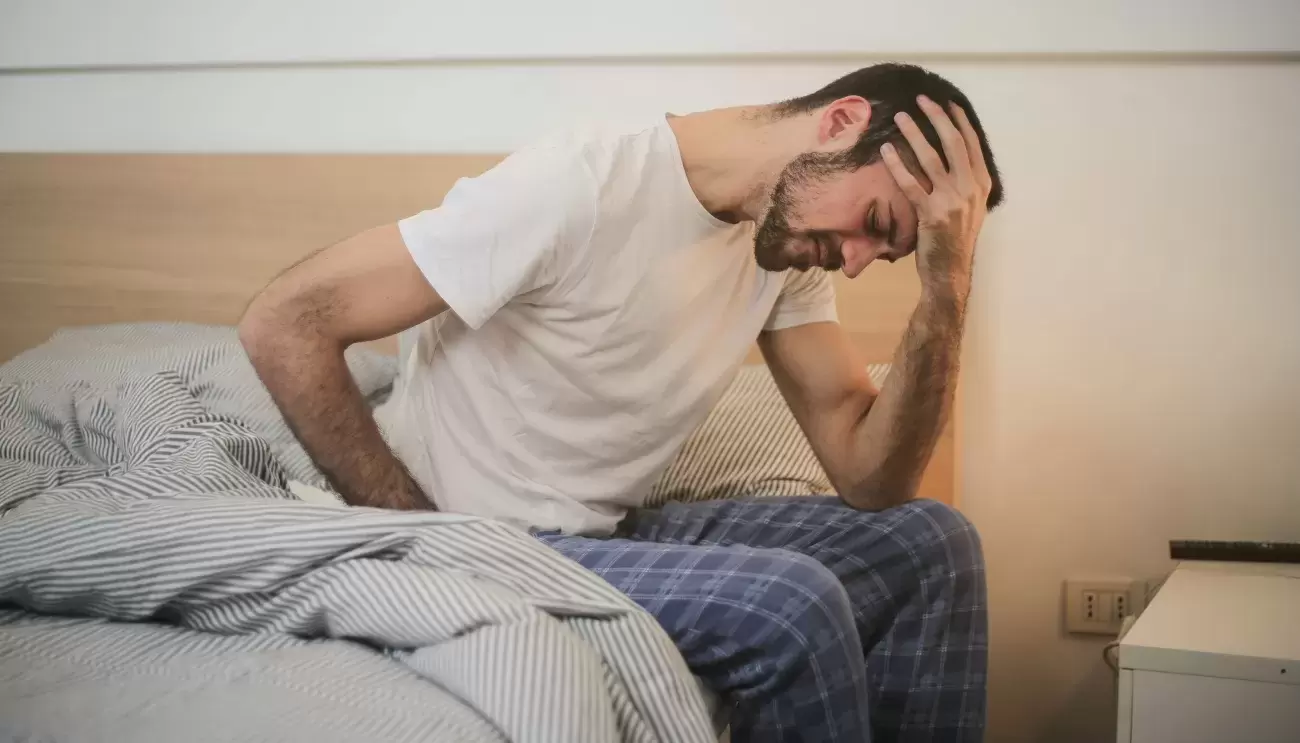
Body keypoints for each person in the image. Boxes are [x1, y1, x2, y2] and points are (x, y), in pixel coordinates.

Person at [239, 62, 1003, 742]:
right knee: (790, 606)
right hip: (481, 534)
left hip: (600, 531)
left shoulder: (784, 247)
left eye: (890, 252)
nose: (861, 261)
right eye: (875, 225)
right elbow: (286, 320)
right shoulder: (579, 185)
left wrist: (947, 283)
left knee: (930, 543)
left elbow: (872, 479)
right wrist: (420, 534)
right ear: (840, 122)